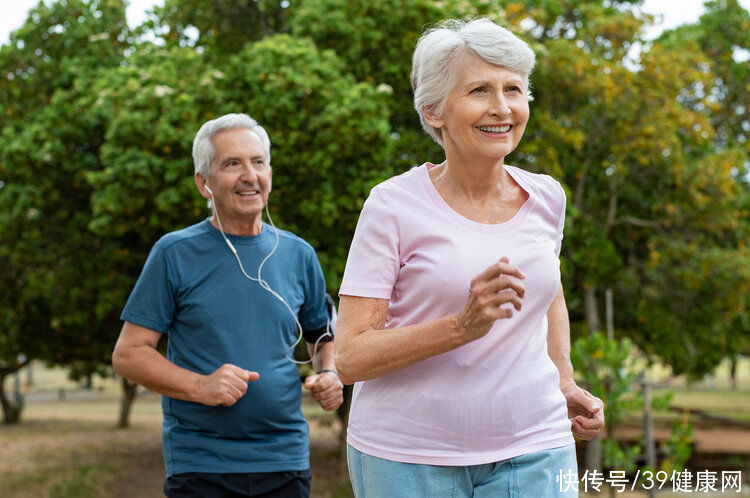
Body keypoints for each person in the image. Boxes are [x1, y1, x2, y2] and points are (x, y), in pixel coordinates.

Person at [335, 19, 604, 497]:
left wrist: (564, 378)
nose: (502, 108)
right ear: (433, 110)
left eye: (514, 89)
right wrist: (461, 326)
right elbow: (350, 358)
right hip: (406, 456)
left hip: (536, 445)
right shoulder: (391, 205)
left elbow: (547, 292)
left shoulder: (547, 197)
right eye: (480, 90)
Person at [112, 113, 343, 498]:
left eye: (258, 162)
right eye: (232, 164)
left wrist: (329, 374)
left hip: (286, 461)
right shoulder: (174, 253)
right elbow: (129, 355)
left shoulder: (299, 253)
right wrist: (202, 386)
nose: (249, 175)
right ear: (205, 183)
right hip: (202, 465)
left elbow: (320, 333)